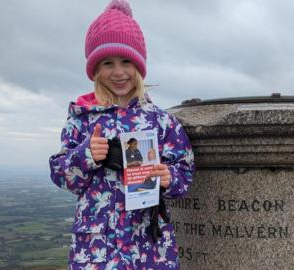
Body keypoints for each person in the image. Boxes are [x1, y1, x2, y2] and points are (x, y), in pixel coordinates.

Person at [48, 0, 194, 268]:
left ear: (138, 66)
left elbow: (184, 174)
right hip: (96, 248)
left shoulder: (161, 121)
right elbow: (62, 176)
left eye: (126, 61)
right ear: (95, 70)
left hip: (148, 248)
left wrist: (168, 176)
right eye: (107, 63)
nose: (118, 72)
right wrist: (87, 155)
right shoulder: (82, 118)